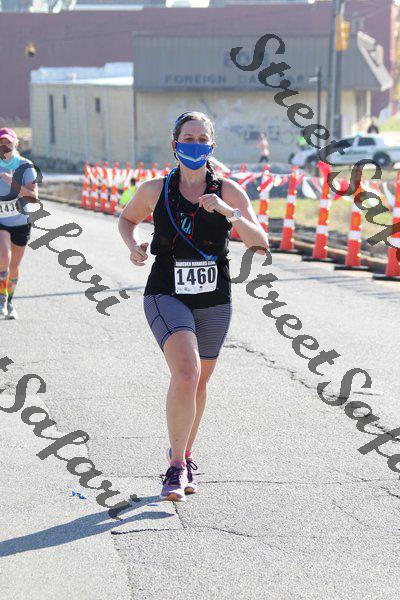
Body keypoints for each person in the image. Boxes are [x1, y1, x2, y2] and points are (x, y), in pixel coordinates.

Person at [119, 111, 269, 502]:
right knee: (186, 372)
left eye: (203, 139)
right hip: (165, 292)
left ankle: (184, 454)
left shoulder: (229, 191)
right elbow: (127, 219)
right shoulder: (155, 189)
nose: (195, 144)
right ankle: (174, 468)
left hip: (214, 297)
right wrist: (133, 247)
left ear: (212, 146)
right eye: (188, 138)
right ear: (175, 145)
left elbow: (260, 243)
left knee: (200, 382)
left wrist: (227, 212)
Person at [0, 127, 38, 320]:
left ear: (15, 143)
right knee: (3, 259)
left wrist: (12, 182)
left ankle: (9, 302)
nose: (4, 145)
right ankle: (1, 300)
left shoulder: (25, 166)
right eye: (1, 142)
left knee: (14, 266)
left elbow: (33, 197)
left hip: (21, 222)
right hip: (1, 222)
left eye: (8, 142)